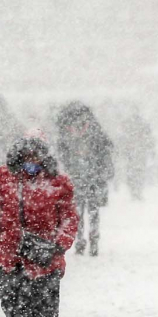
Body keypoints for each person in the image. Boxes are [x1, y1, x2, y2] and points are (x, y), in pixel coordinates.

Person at [0, 133, 78, 317]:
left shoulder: (58, 182)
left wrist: (59, 243)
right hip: (9, 253)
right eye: (27, 157)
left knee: (45, 306)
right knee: (10, 299)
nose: (31, 162)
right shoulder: (5, 178)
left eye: (36, 157)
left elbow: (69, 217)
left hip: (45, 255)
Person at [55, 101, 114, 257]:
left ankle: (81, 242)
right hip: (91, 177)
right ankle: (92, 241)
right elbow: (107, 150)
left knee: (78, 212)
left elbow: (62, 155)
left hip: (77, 178)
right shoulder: (95, 130)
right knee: (91, 211)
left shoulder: (66, 132)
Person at [118, 107, 155, 200]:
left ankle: (135, 191)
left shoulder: (128, 124)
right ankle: (136, 191)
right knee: (137, 173)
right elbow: (149, 139)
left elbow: (123, 139)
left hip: (135, 152)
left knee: (134, 173)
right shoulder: (142, 124)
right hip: (137, 152)